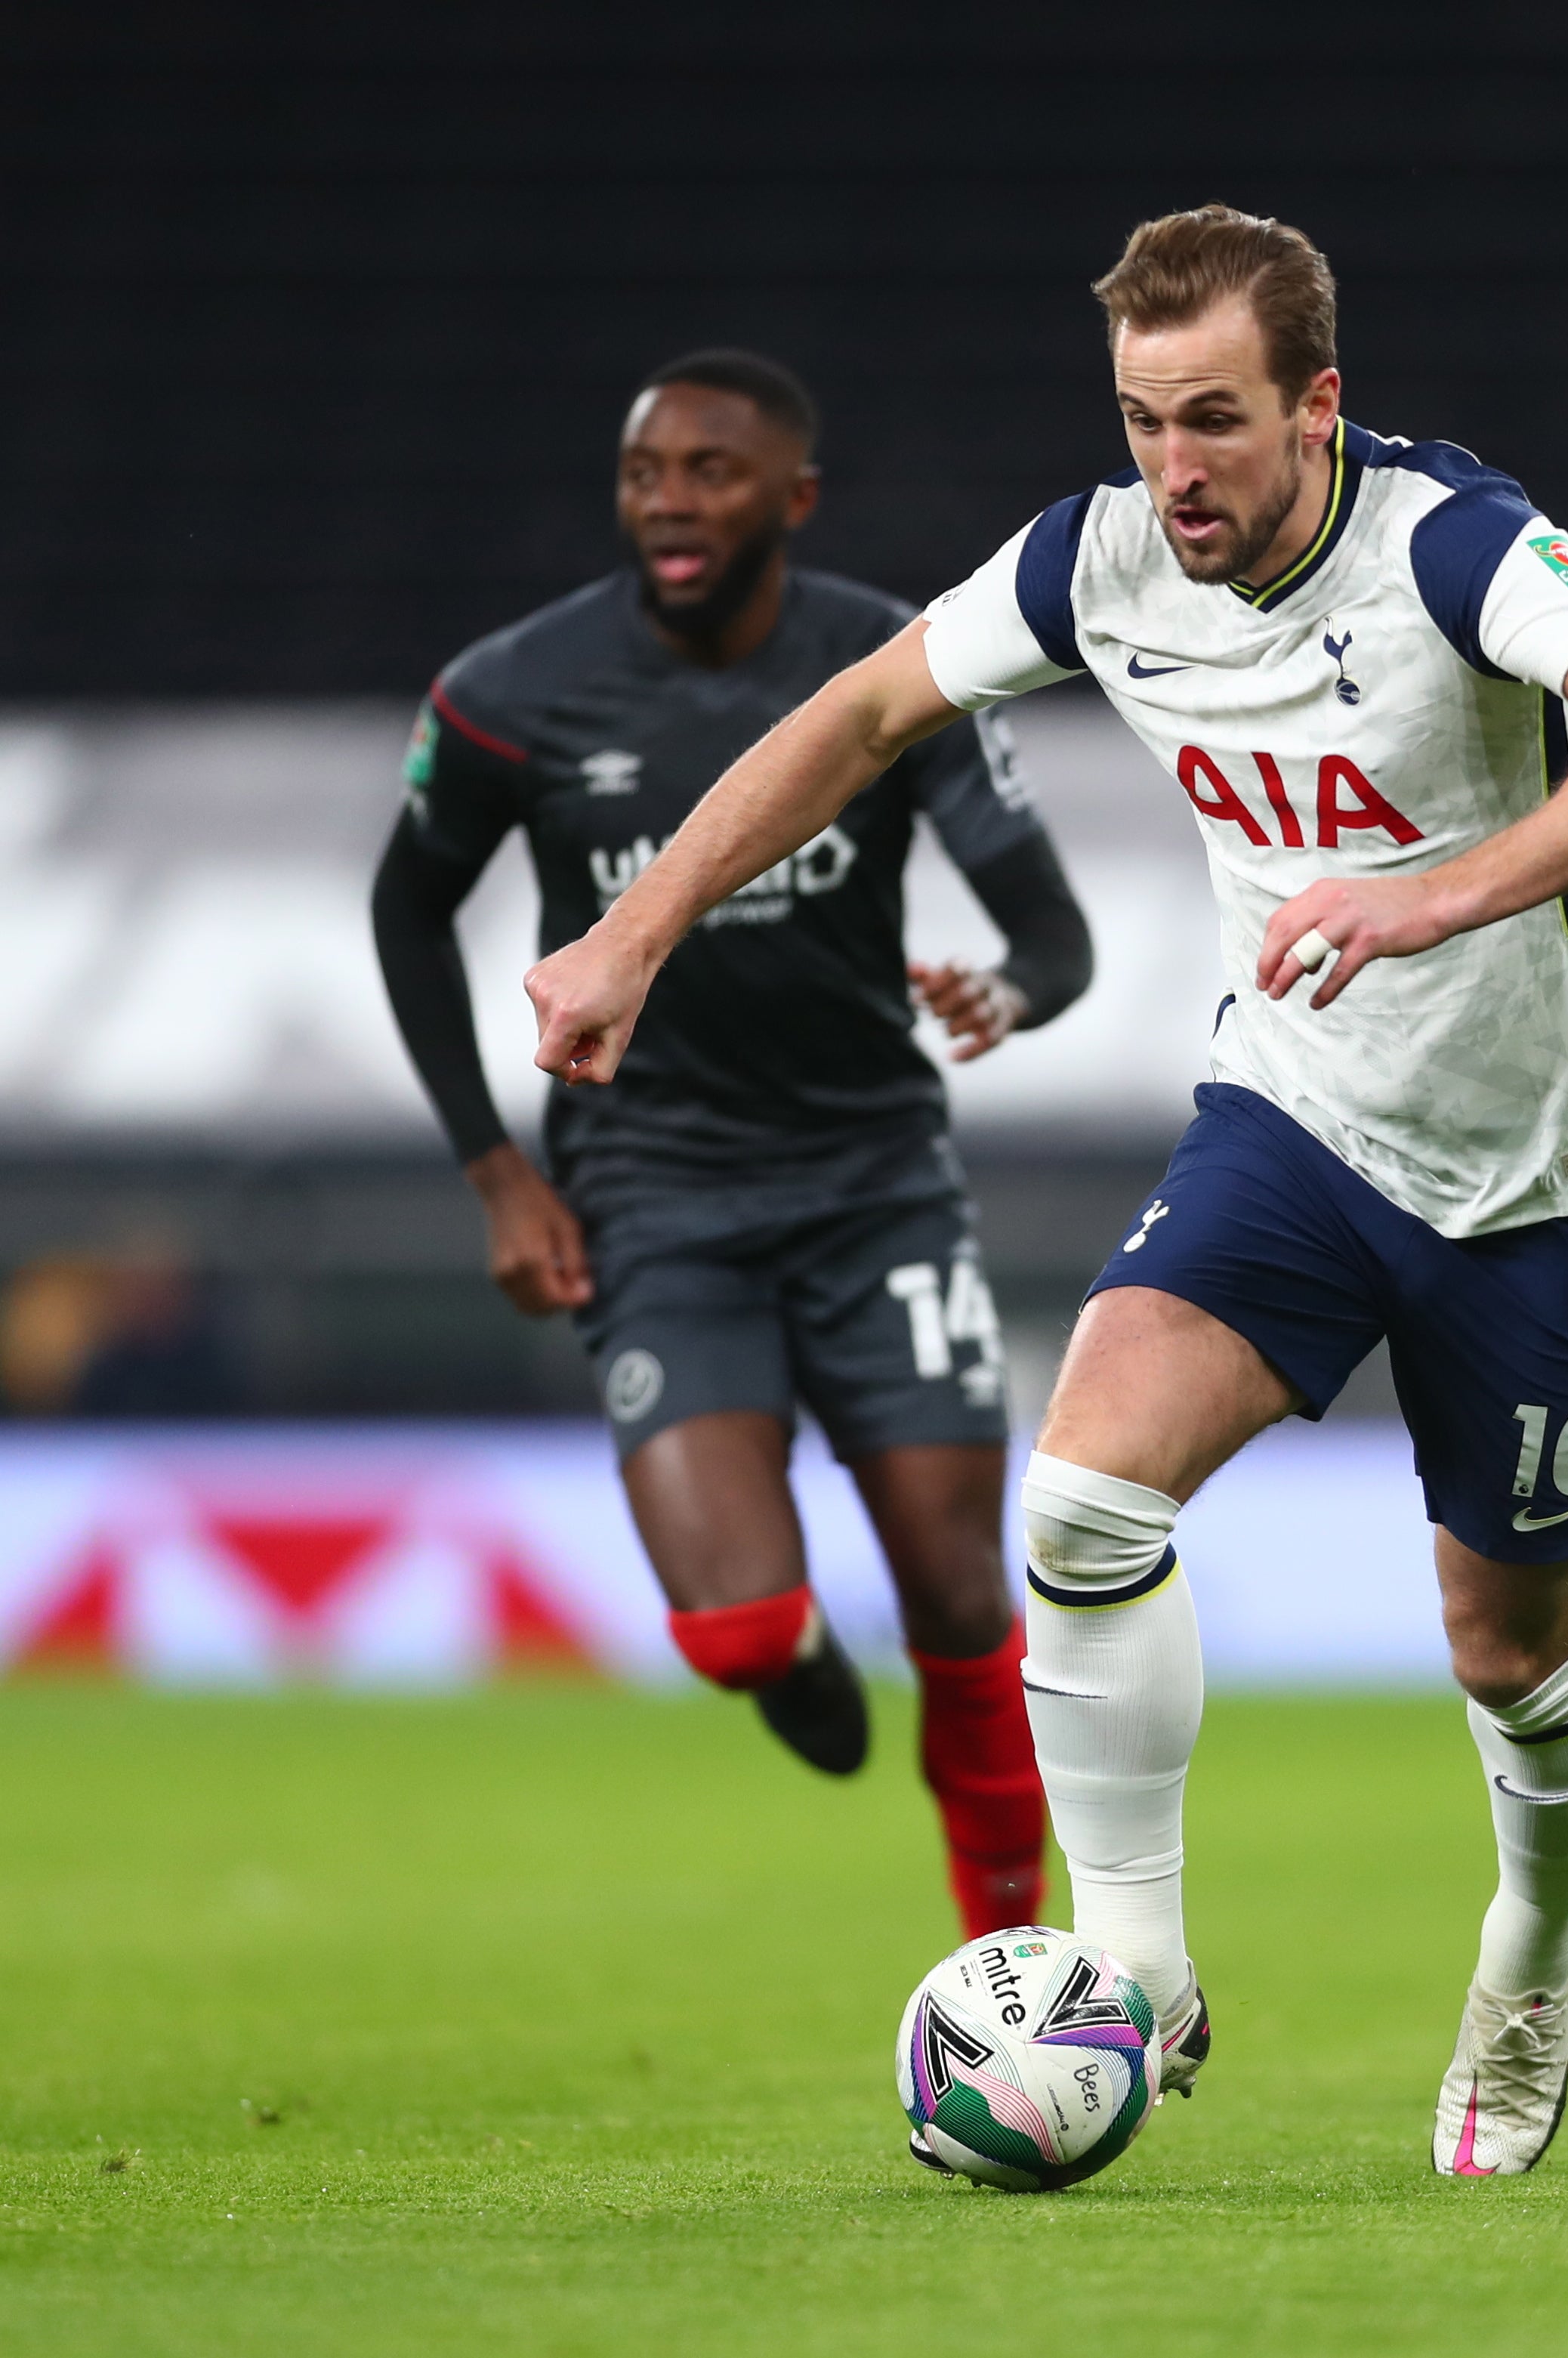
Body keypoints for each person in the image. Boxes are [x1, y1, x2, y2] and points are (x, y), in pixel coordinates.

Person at [517, 209, 1568, 2176]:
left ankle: (1536, 1940)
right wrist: (637, 934)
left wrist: (1430, 894)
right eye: (1139, 420)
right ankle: (1136, 1960)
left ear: (1317, 408)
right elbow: (858, 715)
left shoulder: (1447, 540)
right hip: (1293, 1115)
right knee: (1087, 1497)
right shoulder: (1090, 563)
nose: (1173, 468)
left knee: (1512, 1652)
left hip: (1543, 1167)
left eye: (1213, 421)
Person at [370, 350, 1094, 1943]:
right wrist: (497, 1169)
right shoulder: (513, 693)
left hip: (875, 1185)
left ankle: (1011, 1966)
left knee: (968, 1606)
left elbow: (1053, 930)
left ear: (792, 497)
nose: (670, 502)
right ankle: (783, 1657)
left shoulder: (894, 666)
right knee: (738, 1626)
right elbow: (406, 908)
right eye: (645, 473)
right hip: (654, 1193)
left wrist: (1015, 987)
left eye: (709, 471)